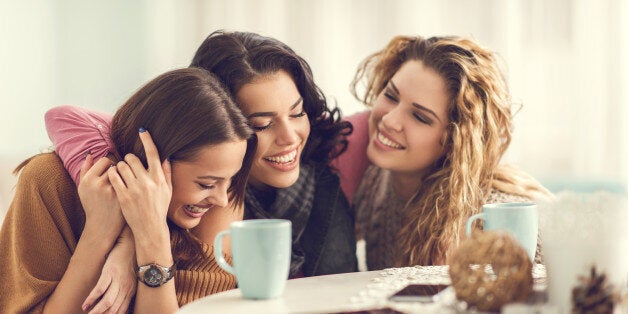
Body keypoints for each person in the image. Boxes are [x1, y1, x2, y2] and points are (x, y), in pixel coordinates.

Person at [0, 67, 254, 313]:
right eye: (206, 184)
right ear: (152, 158)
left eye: (229, 181)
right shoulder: (49, 181)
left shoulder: (213, 212)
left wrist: (150, 236)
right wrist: (100, 232)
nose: (221, 199)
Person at [334, 35, 550, 270]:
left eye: (420, 117)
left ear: (454, 140)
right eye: (391, 96)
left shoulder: (497, 214)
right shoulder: (373, 181)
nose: (389, 120)